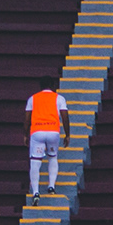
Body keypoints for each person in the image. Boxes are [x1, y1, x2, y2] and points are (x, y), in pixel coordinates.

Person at [23, 76, 69, 208]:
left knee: (35, 162)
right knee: (53, 158)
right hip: (53, 131)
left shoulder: (33, 98)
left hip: (37, 132)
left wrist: (25, 135)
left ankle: (36, 192)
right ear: (53, 85)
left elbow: (27, 118)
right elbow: (65, 116)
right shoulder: (59, 98)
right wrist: (67, 134)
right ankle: (51, 187)